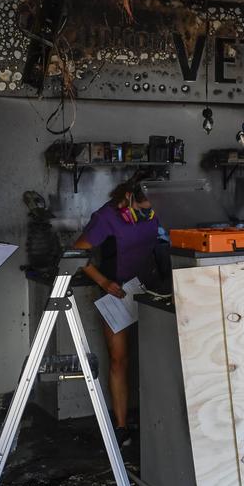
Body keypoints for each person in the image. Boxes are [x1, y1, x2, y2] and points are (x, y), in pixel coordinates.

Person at [72, 176, 161, 446]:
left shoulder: (153, 210)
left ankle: (156, 421)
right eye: (143, 206)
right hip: (118, 292)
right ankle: (121, 426)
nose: (148, 211)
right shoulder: (106, 217)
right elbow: (76, 251)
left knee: (156, 358)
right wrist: (103, 282)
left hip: (150, 289)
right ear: (129, 197)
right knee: (120, 360)